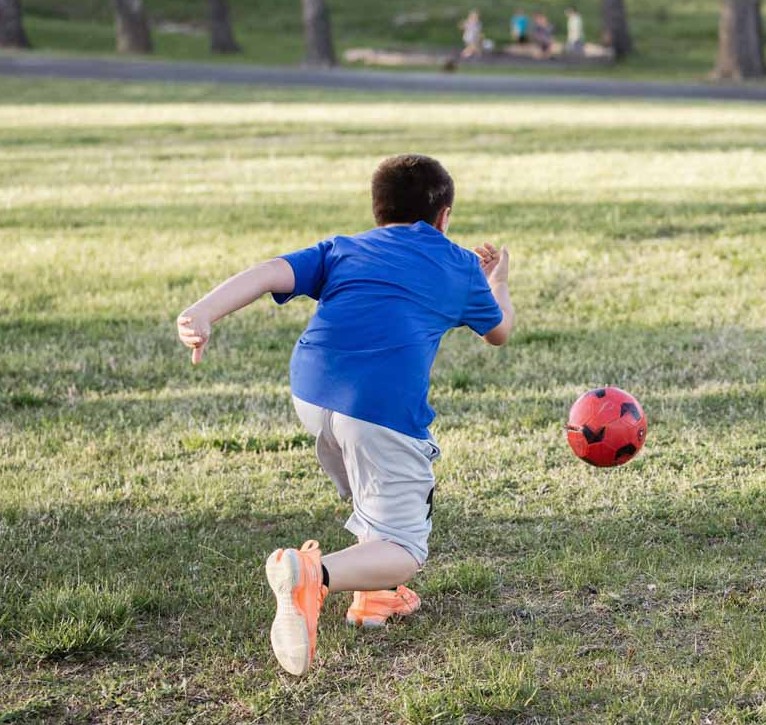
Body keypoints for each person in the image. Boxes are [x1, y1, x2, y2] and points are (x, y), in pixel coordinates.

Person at [174, 154, 514, 677]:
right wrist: (497, 280)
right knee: (405, 546)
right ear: (444, 216)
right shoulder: (461, 265)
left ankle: (376, 596)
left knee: (372, 483)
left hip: (312, 391)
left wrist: (202, 311)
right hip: (377, 406)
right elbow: (499, 332)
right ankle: (312, 574)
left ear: (378, 209)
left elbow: (268, 273)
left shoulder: (344, 248)